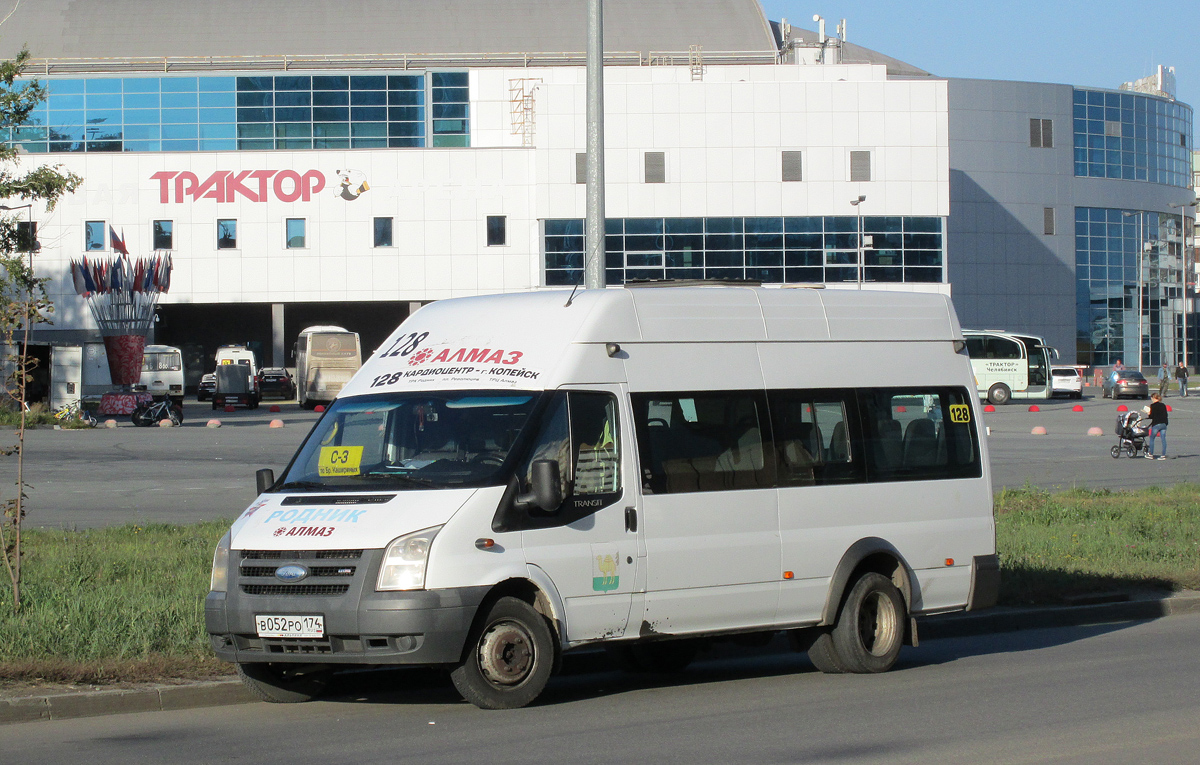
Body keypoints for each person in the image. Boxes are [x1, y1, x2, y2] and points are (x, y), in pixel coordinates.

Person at [1145, 392, 1169, 460]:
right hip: (1164, 424)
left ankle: (1151, 454)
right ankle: (1163, 455)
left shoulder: (1153, 405)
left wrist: (1148, 413)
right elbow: (1166, 415)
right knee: (1163, 439)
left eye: (1152, 398)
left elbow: (1151, 416)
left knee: (1152, 438)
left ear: (1153, 398)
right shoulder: (1163, 405)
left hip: (1156, 424)